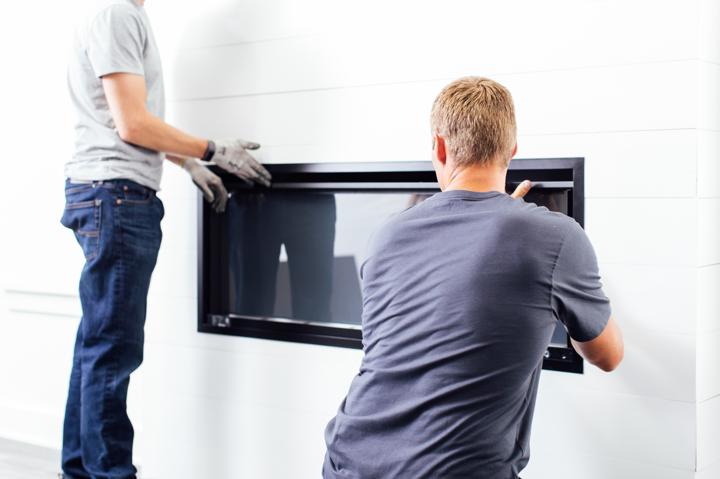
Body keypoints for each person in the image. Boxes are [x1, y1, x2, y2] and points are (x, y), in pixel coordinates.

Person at [323, 77, 624, 479]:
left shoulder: (387, 234)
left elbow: (426, 330)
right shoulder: (555, 237)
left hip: (348, 462)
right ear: (512, 150)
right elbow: (608, 355)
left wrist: (505, 230)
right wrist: (557, 275)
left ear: (439, 147)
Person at [60, 1, 271, 477]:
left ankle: (79, 470)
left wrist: (187, 162)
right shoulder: (116, 12)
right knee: (112, 351)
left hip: (107, 193)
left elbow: (126, 121)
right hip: (115, 197)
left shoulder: (116, 13)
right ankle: (111, 473)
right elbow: (132, 122)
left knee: (97, 347)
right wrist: (212, 150)